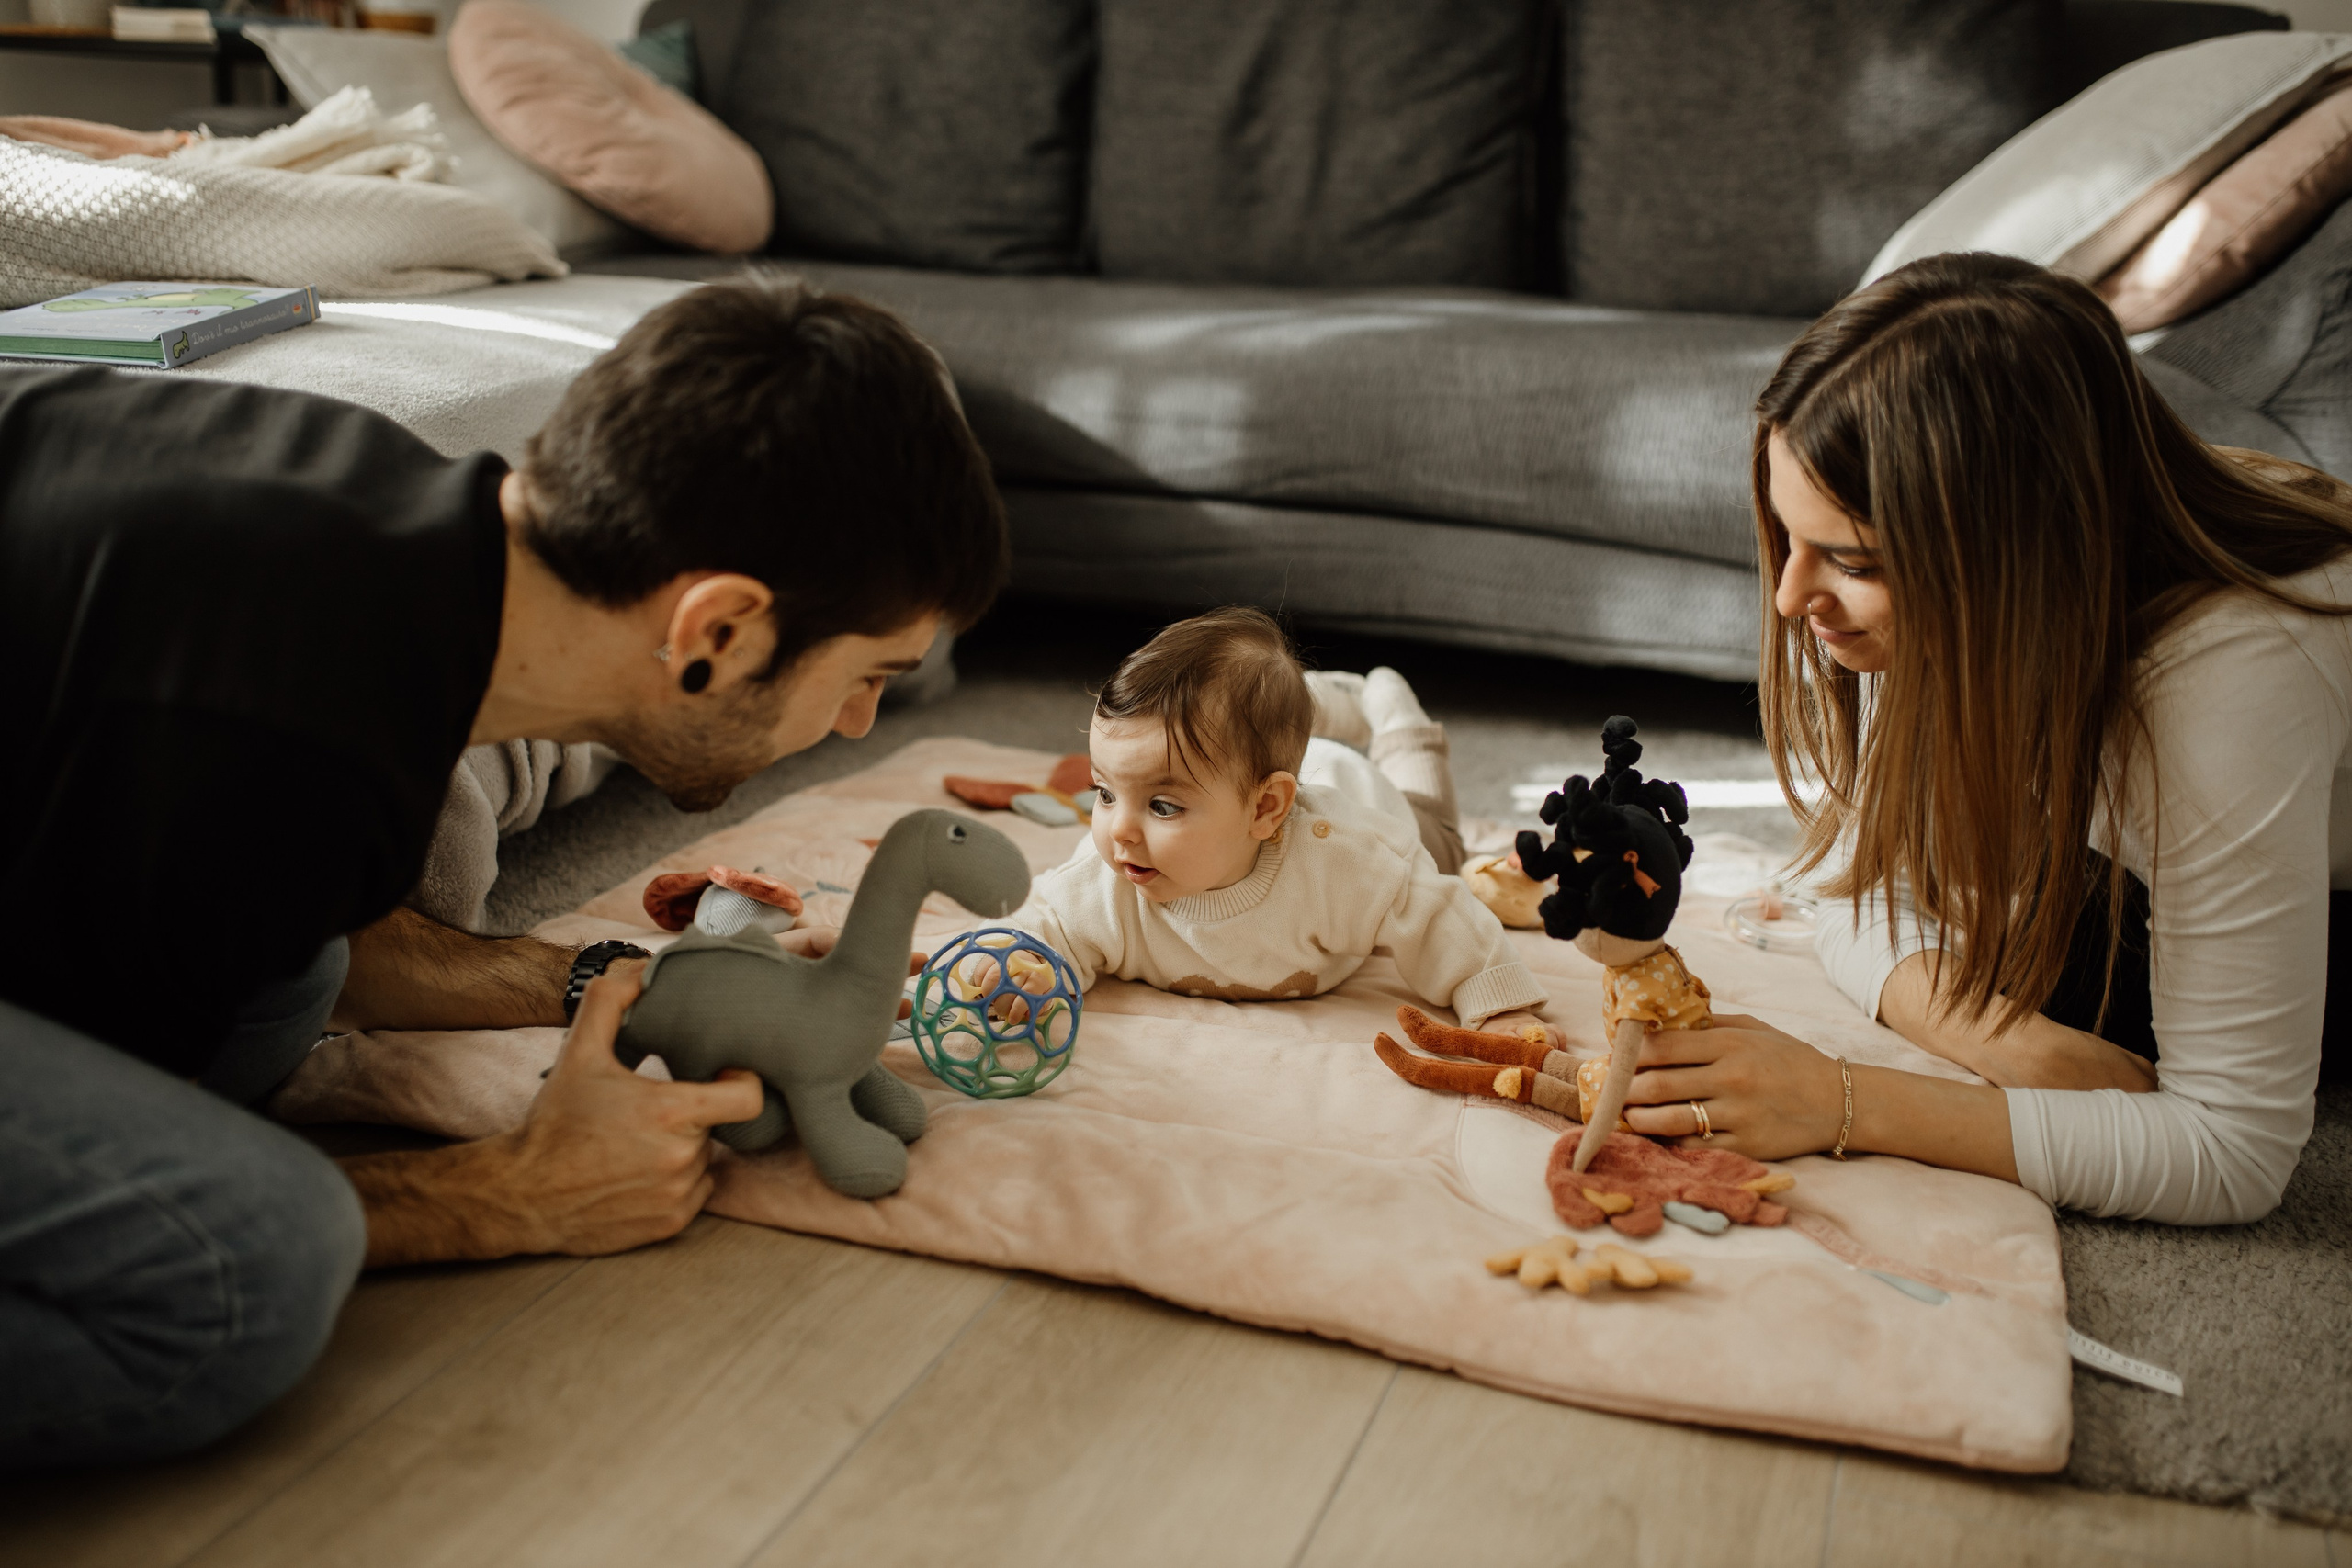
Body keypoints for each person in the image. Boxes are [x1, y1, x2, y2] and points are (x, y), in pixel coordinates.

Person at [0, 273, 1009, 1467]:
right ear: (719, 629)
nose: (857, 723)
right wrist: (512, 1188)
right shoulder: (283, 726)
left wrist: (630, 976)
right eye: (870, 674)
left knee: (293, 978)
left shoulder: (399, 540)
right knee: (256, 1264)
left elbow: (290, 898)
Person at [1615, 251, 2350, 1226]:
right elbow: (1858, 885)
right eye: (1789, 540)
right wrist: (2008, 1045)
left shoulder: (2232, 680)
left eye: (1852, 561)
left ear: (2009, 554)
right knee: (2013, 964)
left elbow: (2231, 1156)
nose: (1791, 599)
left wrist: (1839, 1099)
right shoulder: (1975, 598)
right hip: (2156, 854)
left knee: (2070, 980)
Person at [1001, 607, 1555, 1036]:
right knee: (1261, 732)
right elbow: (1048, 921)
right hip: (1281, 771)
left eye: (1162, 806)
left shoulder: (1349, 861)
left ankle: (1389, 712)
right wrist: (1019, 966)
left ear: (1266, 810)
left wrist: (1498, 1002)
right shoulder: (1110, 878)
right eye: (1104, 792)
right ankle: (1316, 706)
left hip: (1366, 791)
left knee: (1443, 835)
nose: (1118, 831)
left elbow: (1438, 915)